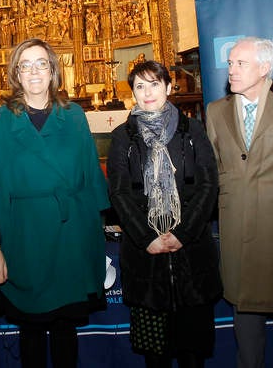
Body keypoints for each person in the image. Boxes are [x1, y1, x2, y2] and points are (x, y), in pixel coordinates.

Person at [0, 37, 110, 368]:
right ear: (16, 74)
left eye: (41, 64)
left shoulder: (74, 115)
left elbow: (92, 178)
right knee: (31, 329)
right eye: (26, 65)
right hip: (24, 235)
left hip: (71, 234)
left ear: (53, 71)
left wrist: (97, 240)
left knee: (65, 328)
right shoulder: (3, 121)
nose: (34, 72)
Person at [205, 37, 273, 367]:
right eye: (230, 64)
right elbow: (214, 168)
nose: (232, 70)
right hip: (237, 232)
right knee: (247, 336)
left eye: (241, 63)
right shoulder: (216, 110)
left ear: (265, 67)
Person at [108, 60, 221, 368]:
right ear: (132, 92)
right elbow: (118, 192)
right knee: (155, 356)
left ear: (169, 88)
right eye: (139, 86)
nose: (147, 93)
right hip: (146, 265)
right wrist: (148, 238)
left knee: (192, 354)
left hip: (192, 258)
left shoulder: (191, 129)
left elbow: (209, 184)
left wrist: (182, 235)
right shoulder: (123, 136)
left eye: (154, 84)